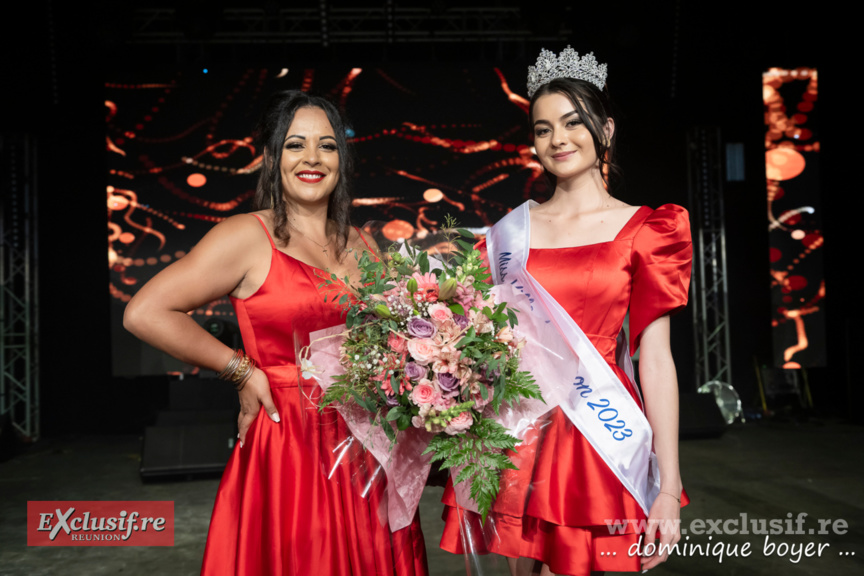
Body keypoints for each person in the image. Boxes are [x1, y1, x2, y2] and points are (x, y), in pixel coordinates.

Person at [124, 90, 428, 575]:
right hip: (290, 442)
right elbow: (144, 312)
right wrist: (242, 372)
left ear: (341, 160)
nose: (312, 158)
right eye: (295, 145)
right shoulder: (246, 235)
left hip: (365, 442)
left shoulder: (361, 242)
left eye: (327, 146)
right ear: (272, 158)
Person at [439, 48, 691, 575]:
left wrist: (670, 485)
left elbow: (657, 359)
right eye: (543, 128)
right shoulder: (510, 233)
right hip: (520, 434)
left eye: (574, 123)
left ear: (607, 128)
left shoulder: (648, 229)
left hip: (601, 437)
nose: (558, 140)